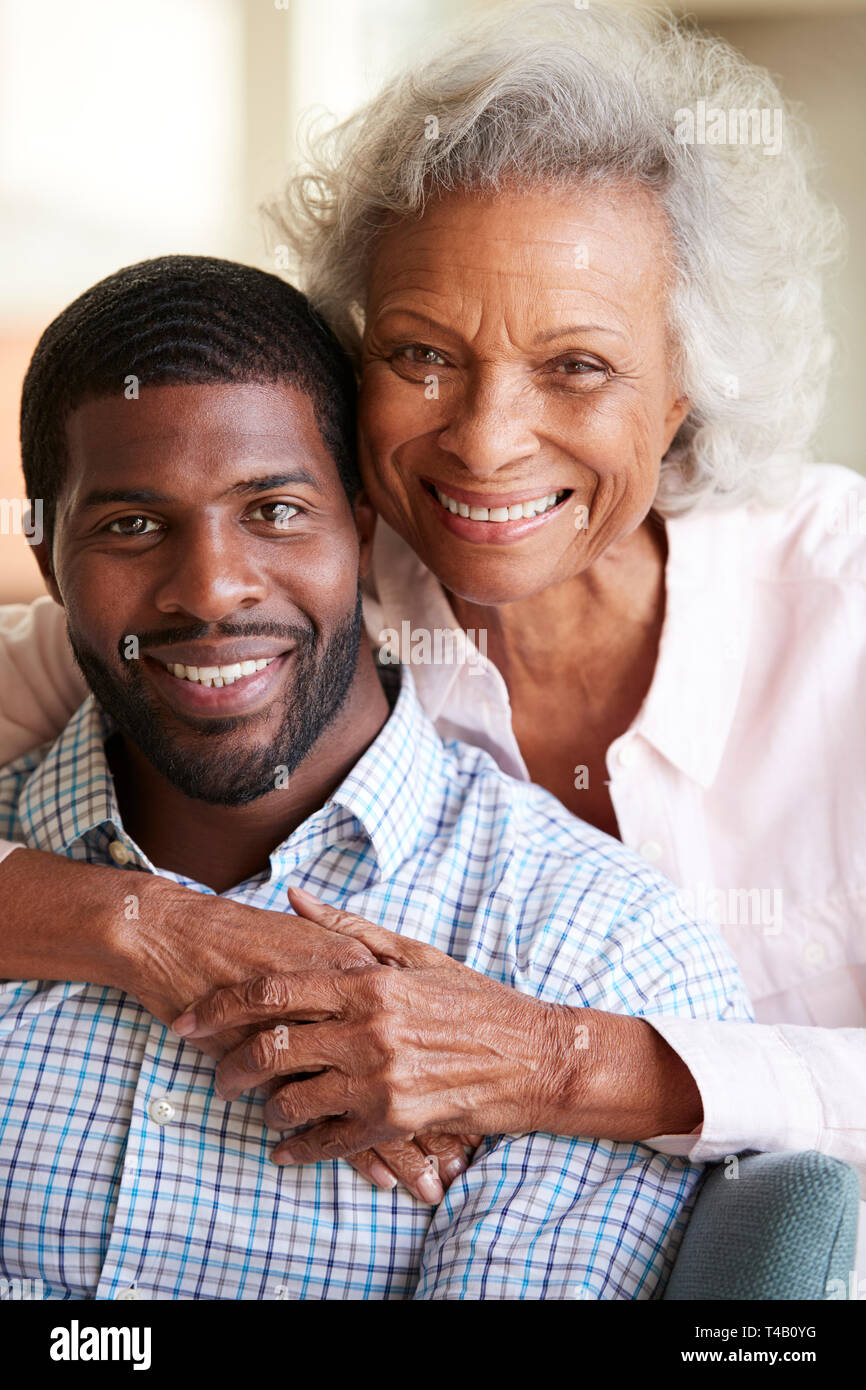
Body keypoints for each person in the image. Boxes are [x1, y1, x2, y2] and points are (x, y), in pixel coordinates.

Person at [0, 0, 863, 1231]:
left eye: (575, 365)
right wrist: (155, 925)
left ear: (688, 386)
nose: (485, 439)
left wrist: (556, 1061)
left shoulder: (844, 606)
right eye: (421, 354)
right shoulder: (279, 605)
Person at [0, 255, 750, 1300]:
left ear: (362, 521)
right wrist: (142, 924)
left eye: (272, 509)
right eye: (130, 525)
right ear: (48, 559)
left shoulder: (587, 953)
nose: (211, 591)